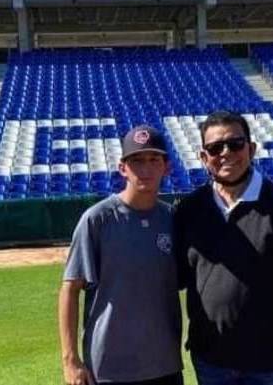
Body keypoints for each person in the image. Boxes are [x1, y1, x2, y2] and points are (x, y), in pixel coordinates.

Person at [173, 111, 273, 385]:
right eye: (215, 148)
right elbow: (177, 278)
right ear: (203, 157)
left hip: (272, 364)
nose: (226, 153)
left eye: (235, 144)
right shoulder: (189, 210)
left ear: (251, 148)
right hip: (211, 361)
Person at [59, 125, 183, 385]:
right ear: (122, 168)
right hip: (109, 368)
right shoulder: (97, 219)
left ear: (167, 167)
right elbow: (70, 289)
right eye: (137, 161)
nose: (146, 169)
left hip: (165, 365)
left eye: (154, 160)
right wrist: (70, 360)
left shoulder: (172, 219)